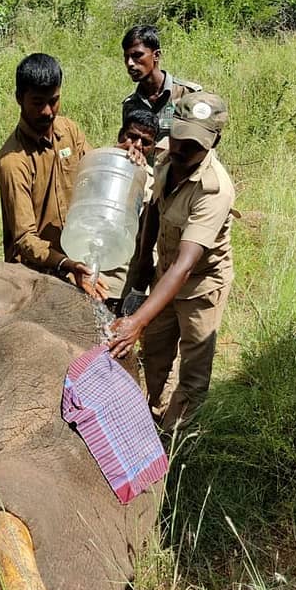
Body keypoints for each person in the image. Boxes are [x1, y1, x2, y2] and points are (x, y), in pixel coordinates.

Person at [109, 92, 235, 432]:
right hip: (164, 277)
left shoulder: (214, 189)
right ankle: (150, 413)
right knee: (154, 354)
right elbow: (152, 217)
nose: (181, 149)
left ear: (213, 142)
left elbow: (186, 266)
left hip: (199, 288)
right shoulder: (166, 158)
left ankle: (175, 440)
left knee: (193, 373)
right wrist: (138, 280)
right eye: (178, 138)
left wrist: (136, 320)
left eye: (193, 145)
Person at [0, 53, 106, 299]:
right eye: (37, 102)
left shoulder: (69, 130)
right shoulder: (12, 161)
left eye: (54, 101)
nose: (47, 111)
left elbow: (96, 175)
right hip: (33, 278)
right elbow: (24, 238)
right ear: (19, 99)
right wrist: (65, 263)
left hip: (78, 264)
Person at [103, 108, 159, 314]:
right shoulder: (100, 165)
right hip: (85, 276)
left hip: (120, 286)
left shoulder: (153, 185)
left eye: (146, 142)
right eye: (132, 137)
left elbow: (149, 245)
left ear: (152, 148)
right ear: (120, 135)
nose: (137, 146)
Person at [121, 25, 202, 140]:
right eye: (126, 57)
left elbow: (200, 145)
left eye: (137, 56)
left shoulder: (188, 95)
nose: (130, 63)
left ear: (156, 55)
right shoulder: (130, 105)